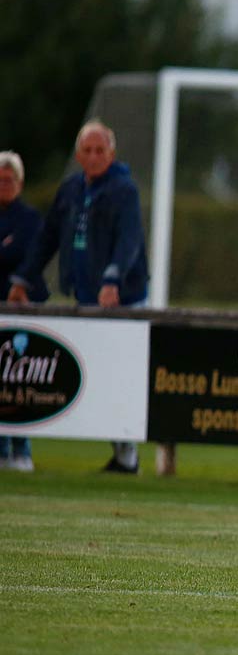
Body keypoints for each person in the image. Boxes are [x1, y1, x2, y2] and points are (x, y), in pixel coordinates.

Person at [6, 122, 149, 474]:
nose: (94, 156)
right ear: (78, 154)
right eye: (88, 150)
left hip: (122, 299)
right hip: (84, 295)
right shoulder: (71, 189)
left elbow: (129, 241)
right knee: (92, 376)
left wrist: (113, 279)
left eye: (101, 150)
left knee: (119, 377)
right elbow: (47, 238)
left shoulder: (123, 189)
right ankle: (120, 453)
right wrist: (24, 277)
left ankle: (127, 454)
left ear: (112, 155)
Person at [0, 151, 47, 471]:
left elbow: (29, 259)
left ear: (20, 183)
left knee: (21, 385)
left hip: (21, 311)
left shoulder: (30, 219)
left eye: (9, 180)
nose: (4, 185)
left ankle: (22, 449)